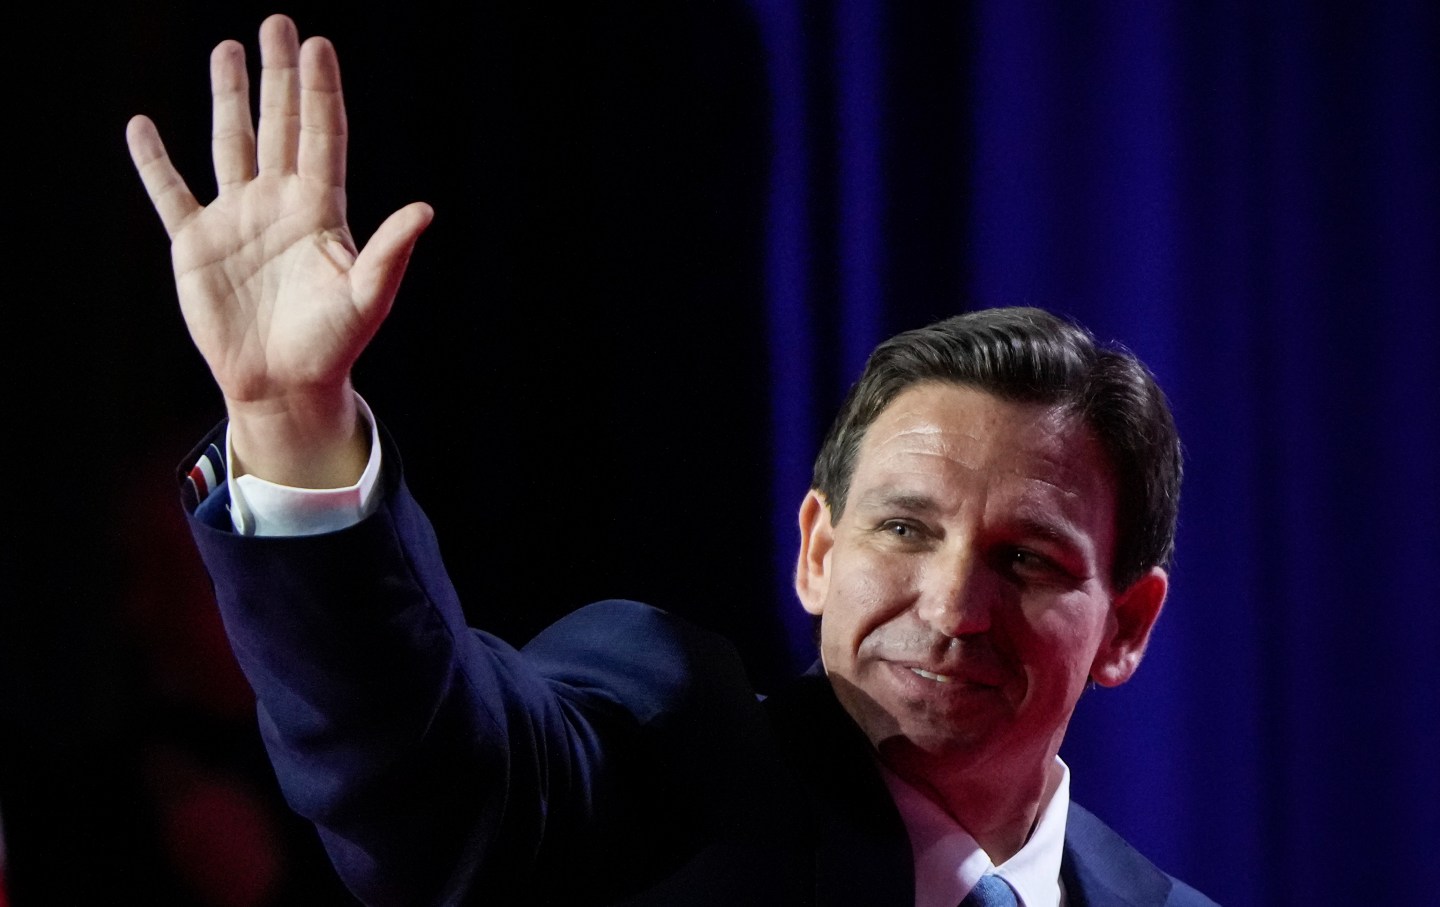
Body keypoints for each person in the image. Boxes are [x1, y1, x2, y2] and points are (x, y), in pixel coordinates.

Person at [128, 14, 1217, 907]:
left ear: (1126, 624)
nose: (952, 604)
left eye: (1026, 559)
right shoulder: (668, 762)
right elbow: (425, 773)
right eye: (903, 526)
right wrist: (290, 420)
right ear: (816, 551)